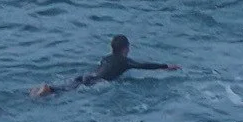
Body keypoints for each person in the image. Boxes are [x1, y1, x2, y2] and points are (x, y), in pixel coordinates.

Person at [30, 34, 179, 98]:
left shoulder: (106, 58)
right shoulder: (125, 62)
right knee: (66, 91)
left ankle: (46, 89)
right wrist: (165, 66)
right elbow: (143, 65)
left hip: (87, 76)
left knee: (68, 87)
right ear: (126, 49)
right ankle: (47, 89)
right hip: (96, 82)